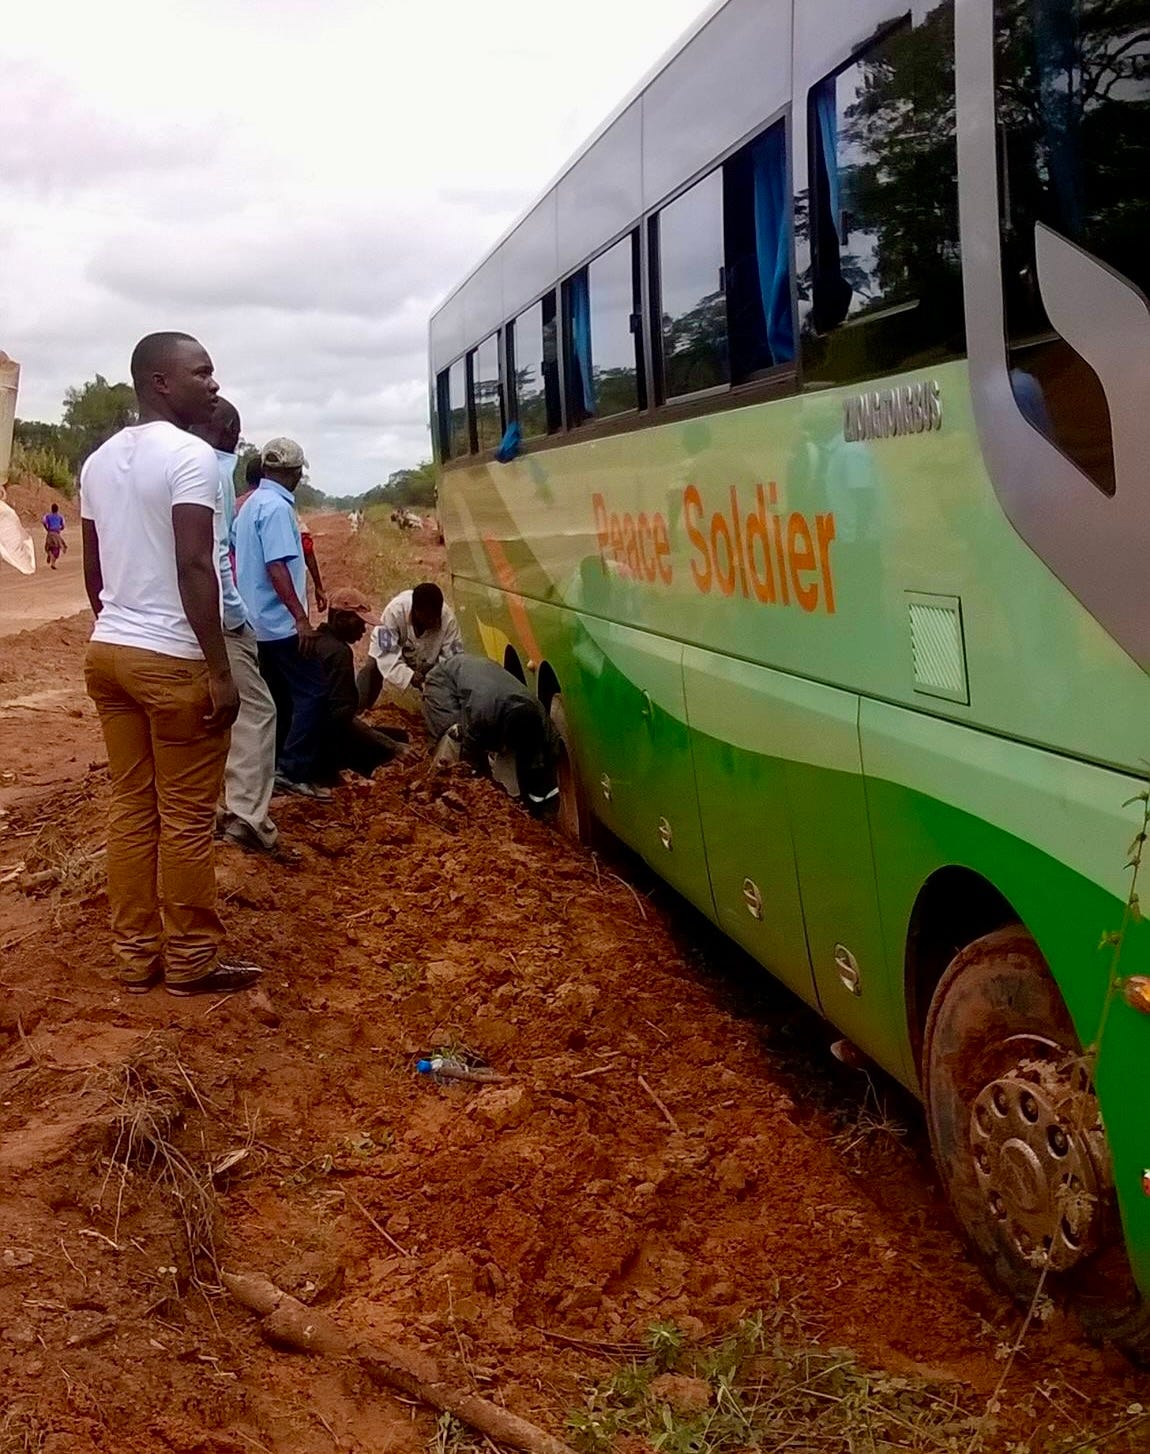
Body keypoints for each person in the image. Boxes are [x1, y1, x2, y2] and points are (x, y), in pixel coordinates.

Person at [80, 332, 262, 998]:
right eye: (201, 372)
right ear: (160, 381)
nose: (213, 384)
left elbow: (95, 570)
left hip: (110, 653)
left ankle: (134, 956)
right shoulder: (191, 456)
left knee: (132, 807)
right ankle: (190, 960)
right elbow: (195, 564)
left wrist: (115, 626)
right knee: (185, 816)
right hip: (172, 659)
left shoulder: (99, 461)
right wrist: (219, 669)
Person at [189, 398, 279, 854]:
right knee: (256, 712)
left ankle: (199, 811)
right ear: (227, 431)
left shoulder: (137, 461)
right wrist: (236, 617)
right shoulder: (214, 469)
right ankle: (246, 815)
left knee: (197, 715)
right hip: (217, 617)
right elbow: (214, 555)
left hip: (164, 619)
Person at [233, 437, 331, 800]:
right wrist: (301, 619)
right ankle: (292, 769)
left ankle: (270, 768)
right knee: (314, 691)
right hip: (279, 625)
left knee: (275, 696)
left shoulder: (250, 505)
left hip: (254, 622)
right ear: (295, 473)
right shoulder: (276, 508)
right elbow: (277, 567)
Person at [422, 653, 559, 814]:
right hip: (444, 680)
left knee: (517, 760)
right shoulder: (483, 714)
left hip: (485, 683)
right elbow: (469, 752)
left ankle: (511, 798)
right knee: (453, 734)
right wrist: (477, 784)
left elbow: (548, 752)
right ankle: (438, 792)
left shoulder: (539, 717)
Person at [311, 588, 409, 783]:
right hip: (323, 746)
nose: (363, 631)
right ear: (339, 618)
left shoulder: (316, 641)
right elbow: (342, 719)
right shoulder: (339, 653)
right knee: (397, 739)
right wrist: (392, 747)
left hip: (305, 736)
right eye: (359, 623)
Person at [357, 582, 463, 710]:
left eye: (436, 617)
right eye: (428, 617)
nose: (433, 621)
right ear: (415, 610)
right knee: (372, 668)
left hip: (428, 661)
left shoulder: (448, 620)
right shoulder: (394, 611)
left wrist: (435, 681)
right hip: (392, 649)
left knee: (447, 686)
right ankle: (358, 710)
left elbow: (453, 661)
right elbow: (385, 653)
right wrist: (410, 676)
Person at [298, 519, 328, 613]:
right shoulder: (288, 513)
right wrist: (318, 586)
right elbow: (306, 546)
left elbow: (306, 546)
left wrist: (318, 586)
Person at [42, 502, 67, 569]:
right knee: (57, 549)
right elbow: (63, 525)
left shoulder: (48, 516)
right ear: (57, 509)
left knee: (49, 547)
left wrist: (47, 528)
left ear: (51, 509)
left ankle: (50, 554)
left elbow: (43, 522)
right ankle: (53, 563)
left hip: (50, 533)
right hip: (56, 534)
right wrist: (60, 528)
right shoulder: (60, 517)